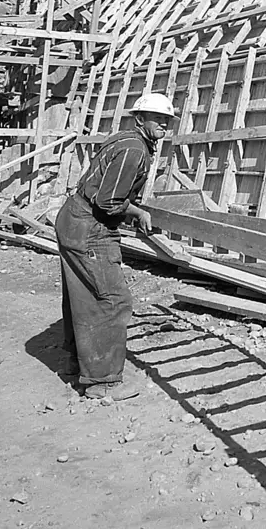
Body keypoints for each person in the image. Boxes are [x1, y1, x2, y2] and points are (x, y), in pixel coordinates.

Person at [54, 92, 176, 400]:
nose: (163, 123)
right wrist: (137, 211)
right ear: (139, 119)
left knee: (82, 296)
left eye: (167, 119)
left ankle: (76, 363)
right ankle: (102, 381)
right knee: (112, 300)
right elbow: (108, 202)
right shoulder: (135, 149)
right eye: (156, 118)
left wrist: (131, 209)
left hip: (74, 218)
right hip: (90, 228)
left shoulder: (124, 140)